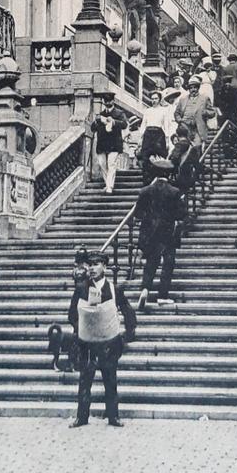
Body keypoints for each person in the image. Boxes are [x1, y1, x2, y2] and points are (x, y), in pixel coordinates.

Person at [68, 249, 137, 428]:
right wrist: (80, 329)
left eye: (96, 264)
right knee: (85, 380)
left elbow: (128, 311)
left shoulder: (114, 290)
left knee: (110, 380)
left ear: (104, 266)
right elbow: (71, 314)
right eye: (90, 264)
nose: (92, 268)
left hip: (108, 343)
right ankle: (82, 417)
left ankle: (113, 417)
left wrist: (128, 333)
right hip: (87, 344)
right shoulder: (81, 289)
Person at [134, 158, 187, 309]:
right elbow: (182, 213)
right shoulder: (175, 192)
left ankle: (145, 288)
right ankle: (162, 295)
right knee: (168, 263)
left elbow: (138, 213)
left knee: (151, 262)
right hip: (168, 232)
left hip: (149, 232)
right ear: (169, 174)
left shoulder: (145, 191)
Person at [91, 92, 128, 194]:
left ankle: (109, 187)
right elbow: (92, 128)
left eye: (109, 100)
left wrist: (114, 121)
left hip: (114, 143)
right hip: (102, 143)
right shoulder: (101, 114)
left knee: (111, 164)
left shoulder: (119, 113)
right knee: (102, 164)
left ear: (113, 101)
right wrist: (96, 121)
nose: (107, 102)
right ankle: (108, 183)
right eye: (106, 101)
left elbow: (124, 124)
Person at [136, 90, 169, 184]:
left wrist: (167, 139)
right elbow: (143, 125)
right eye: (152, 99)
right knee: (146, 157)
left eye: (156, 99)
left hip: (159, 134)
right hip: (148, 134)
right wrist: (140, 138)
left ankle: (158, 179)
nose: (154, 100)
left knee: (159, 156)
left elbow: (166, 125)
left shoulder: (164, 110)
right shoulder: (147, 111)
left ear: (159, 100)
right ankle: (147, 181)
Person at [174, 75, 215, 148]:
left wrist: (205, 112)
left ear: (198, 88)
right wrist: (180, 121)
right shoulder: (182, 99)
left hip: (197, 128)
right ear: (189, 89)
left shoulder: (204, 98)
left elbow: (212, 112)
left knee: (197, 147)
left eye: (195, 87)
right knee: (184, 147)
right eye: (191, 88)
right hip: (184, 127)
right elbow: (177, 113)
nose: (193, 89)